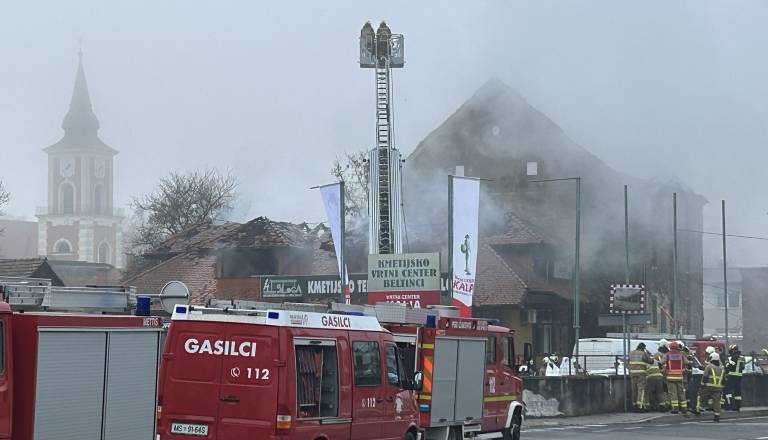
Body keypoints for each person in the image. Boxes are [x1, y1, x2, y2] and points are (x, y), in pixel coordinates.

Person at [695, 352, 725, 422]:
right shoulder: (722, 368)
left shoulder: (709, 366)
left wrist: (702, 384)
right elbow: (723, 379)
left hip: (708, 386)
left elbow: (705, 376)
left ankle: (698, 410)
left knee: (701, 396)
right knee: (717, 402)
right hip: (718, 388)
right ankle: (717, 416)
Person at [664, 341, 688, 414]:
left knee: (673, 393)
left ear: (670, 347)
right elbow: (686, 362)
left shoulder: (668, 354)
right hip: (679, 376)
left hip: (671, 377)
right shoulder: (681, 354)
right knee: (681, 392)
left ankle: (675, 408)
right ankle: (684, 408)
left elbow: (662, 361)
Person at [629, 342, 653, 411]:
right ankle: (639, 405)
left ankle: (633, 405)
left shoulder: (631, 353)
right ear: (643, 348)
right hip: (641, 374)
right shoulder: (643, 353)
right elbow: (650, 361)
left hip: (632, 373)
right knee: (641, 389)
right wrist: (649, 355)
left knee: (634, 389)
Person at [724, 344, 746, 411]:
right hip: (739, 376)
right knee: (737, 392)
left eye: (731, 351)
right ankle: (737, 406)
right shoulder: (742, 358)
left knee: (727, 390)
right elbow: (743, 367)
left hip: (732, 376)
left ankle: (729, 405)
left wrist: (726, 366)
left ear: (733, 350)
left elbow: (729, 367)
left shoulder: (733, 357)